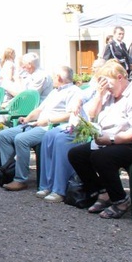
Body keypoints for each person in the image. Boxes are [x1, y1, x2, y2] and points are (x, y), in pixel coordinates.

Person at [68, 60, 132, 219]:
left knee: (101, 156)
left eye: (109, 84)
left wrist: (111, 140)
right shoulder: (108, 93)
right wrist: (100, 95)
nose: (107, 88)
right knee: (76, 154)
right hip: (108, 140)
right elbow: (92, 114)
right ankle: (104, 192)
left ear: (120, 77)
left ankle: (121, 200)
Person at [0, 66, 80, 191]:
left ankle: (20, 179)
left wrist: (48, 120)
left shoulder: (74, 91)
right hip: (37, 124)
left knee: (21, 139)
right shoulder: (54, 91)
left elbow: (71, 114)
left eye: (54, 76)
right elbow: (40, 109)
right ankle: (8, 174)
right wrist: (27, 118)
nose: (52, 78)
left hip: (50, 128)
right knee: (3, 135)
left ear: (59, 77)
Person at [36, 58, 105, 203]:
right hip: (78, 122)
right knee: (49, 135)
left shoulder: (106, 88)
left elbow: (92, 113)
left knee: (61, 140)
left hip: (92, 127)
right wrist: (78, 102)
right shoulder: (93, 85)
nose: (94, 70)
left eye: (97, 68)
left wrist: (100, 93)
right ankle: (47, 185)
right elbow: (83, 96)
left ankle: (59, 190)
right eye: (94, 67)